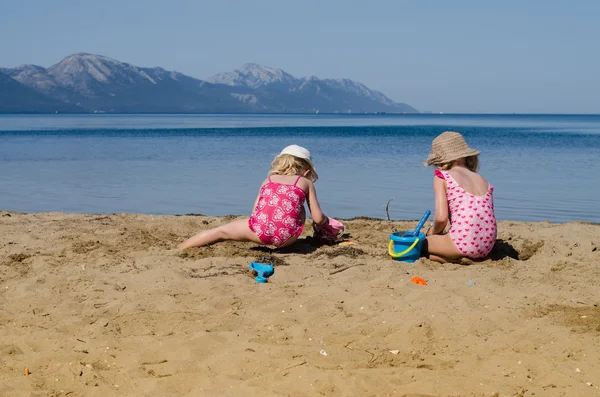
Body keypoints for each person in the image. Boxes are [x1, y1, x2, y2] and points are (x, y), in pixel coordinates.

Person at [177, 145, 337, 249]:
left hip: (259, 232)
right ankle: (283, 242)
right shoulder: (304, 182)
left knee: (220, 231)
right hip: (287, 238)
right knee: (299, 207)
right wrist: (327, 223)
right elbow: (317, 218)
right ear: (307, 171)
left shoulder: (267, 181)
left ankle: (180, 248)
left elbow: (255, 213)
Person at [422, 131, 497, 263]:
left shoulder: (442, 176)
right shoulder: (483, 179)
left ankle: (456, 259)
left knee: (420, 245)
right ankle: (460, 258)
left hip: (464, 241)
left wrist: (431, 232)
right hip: (487, 245)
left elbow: (441, 218)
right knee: (436, 252)